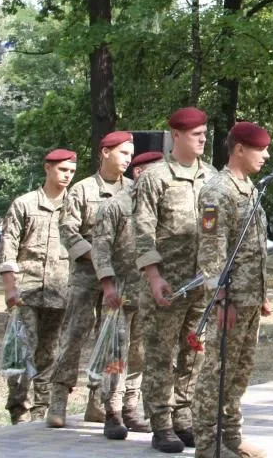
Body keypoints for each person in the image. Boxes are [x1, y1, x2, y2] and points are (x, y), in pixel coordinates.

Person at [191, 122, 273, 458]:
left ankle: (230, 436)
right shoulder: (218, 191)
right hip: (230, 300)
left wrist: (263, 292)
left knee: (239, 372)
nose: (266, 155)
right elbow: (213, 251)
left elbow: (252, 246)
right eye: (260, 149)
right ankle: (208, 444)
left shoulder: (250, 188)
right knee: (218, 371)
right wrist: (221, 298)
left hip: (249, 297)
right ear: (239, 148)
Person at [133, 107, 214, 452]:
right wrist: (152, 275)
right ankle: (161, 423)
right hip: (166, 284)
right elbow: (142, 230)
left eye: (205, 133)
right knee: (160, 354)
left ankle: (183, 417)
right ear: (176, 136)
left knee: (194, 352)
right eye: (196, 134)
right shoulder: (156, 177)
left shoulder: (210, 176)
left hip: (200, 283)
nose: (203, 139)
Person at [49, 130, 135, 428]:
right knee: (75, 334)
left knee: (113, 340)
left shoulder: (133, 191)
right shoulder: (82, 190)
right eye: (123, 152)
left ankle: (100, 402)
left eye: (131, 153)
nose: (129, 158)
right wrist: (98, 258)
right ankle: (58, 399)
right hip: (87, 275)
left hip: (120, 277)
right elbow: (68, 230)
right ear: (105, 152)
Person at [0, 149, 76, 423]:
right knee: (22, 350)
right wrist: (9, 288)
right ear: (47, 168)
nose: (67, 176)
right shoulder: (25, 204)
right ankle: (19, 411)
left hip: (60, 290)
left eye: (71, 171)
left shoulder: (74, 206)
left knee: (50, 352)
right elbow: (8, 247)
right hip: (27, 291)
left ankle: (42, 410)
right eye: (62, 170)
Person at [90, 150, 164, 438]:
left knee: (140, 355)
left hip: (148, 294)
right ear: (138, 173)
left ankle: (132, 408)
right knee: (115, 354)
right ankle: (113, 411)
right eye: (151, 171)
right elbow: (100, 248)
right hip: (119, 293)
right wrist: (108, 285)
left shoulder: (159, 205)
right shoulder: (116, 206)